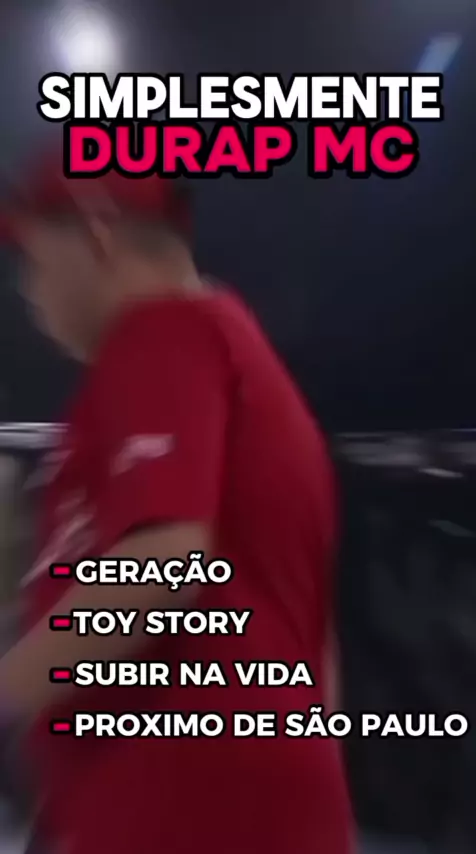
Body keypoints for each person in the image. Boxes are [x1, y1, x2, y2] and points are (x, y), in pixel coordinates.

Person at [0, 150, 352, 854]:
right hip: (231, 804)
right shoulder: (230, 354)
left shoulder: (161, 336)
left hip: (181, 809)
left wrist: (7, 692)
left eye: (33, 260)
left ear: (97, 234)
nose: (27, 289)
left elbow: (165, 562)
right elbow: (314, 641)